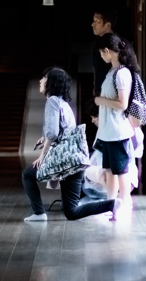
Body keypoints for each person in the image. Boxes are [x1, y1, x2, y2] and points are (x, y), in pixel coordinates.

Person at [22, 67, 117, 222]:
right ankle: (112, 205)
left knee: (28, 174)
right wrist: (44, 138)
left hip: (63, 161)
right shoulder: (63, 103)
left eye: (44, 78)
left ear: (51, 82)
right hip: (74, 162)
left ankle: (39, 213)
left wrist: (42, 156)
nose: (40, 81)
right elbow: (61, 131)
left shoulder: (52, 101)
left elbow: (52, 134)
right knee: (71, 212)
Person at [94, 33, 139, 220]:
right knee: (111, 170)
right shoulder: (112, 72)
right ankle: (111, 204)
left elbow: (122, 104)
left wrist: (100, 100)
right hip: (109, 131)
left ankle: (124, 205)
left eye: (101, 53)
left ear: (107, 51)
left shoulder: (122, 73)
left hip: (118, 131)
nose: (101, 57)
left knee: (121, 170)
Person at [91, 7, 117, 97]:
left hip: (113, 93)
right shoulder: (98, 43)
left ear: (108, 25)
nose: (92, 24)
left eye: (97, 21)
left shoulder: (117, 45)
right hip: (102, 91)